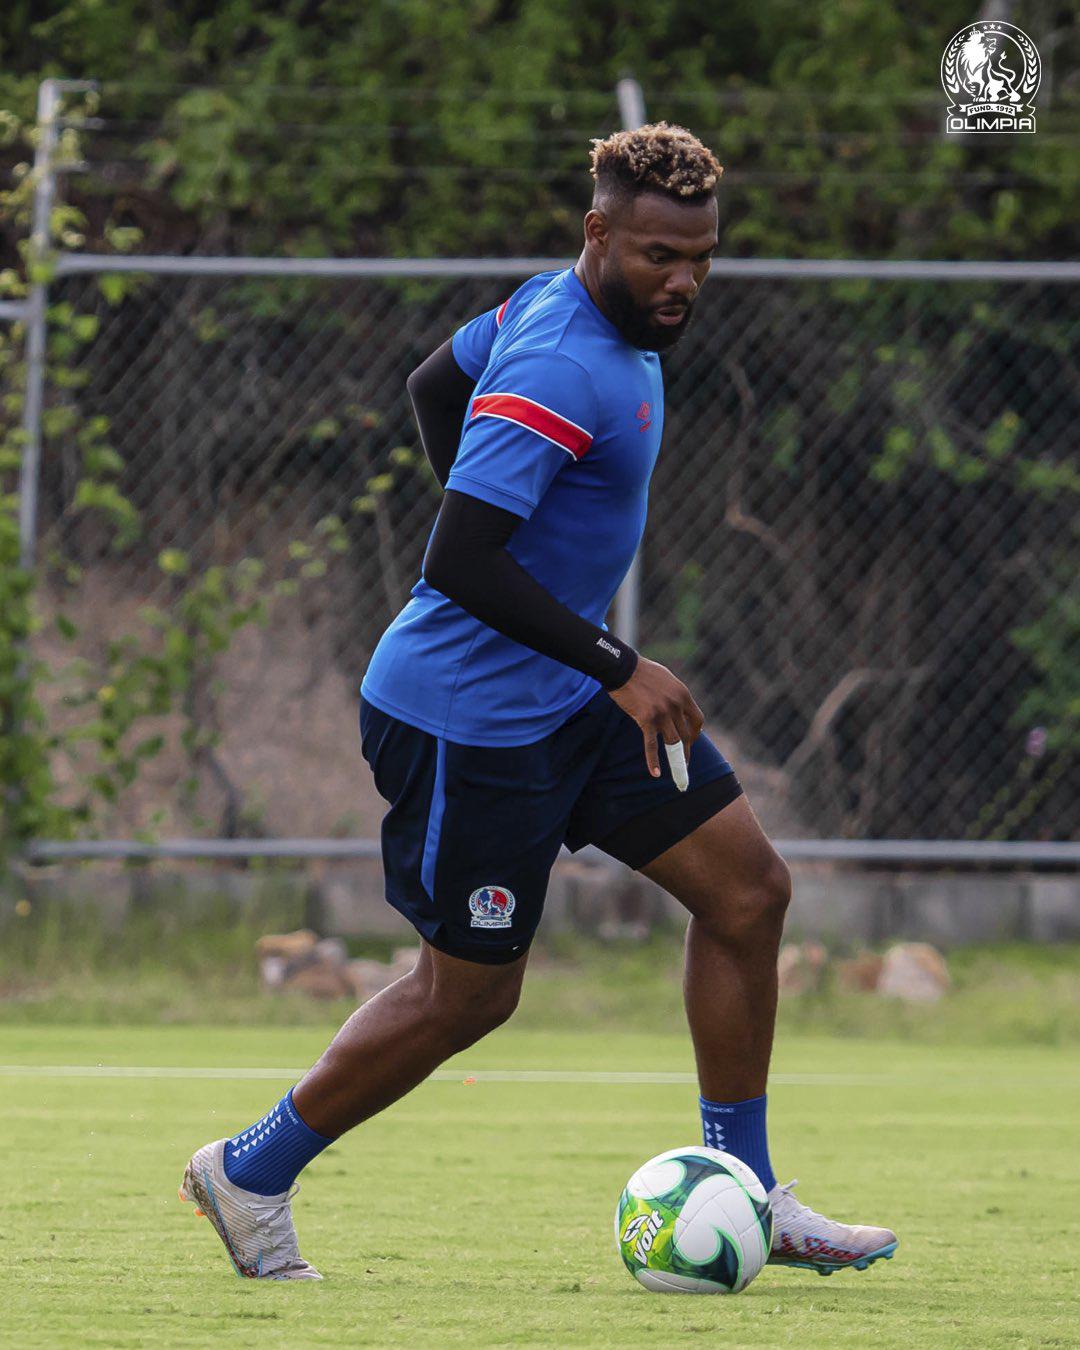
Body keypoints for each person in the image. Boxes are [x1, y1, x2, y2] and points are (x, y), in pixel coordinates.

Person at [180, 122, 897, 1281]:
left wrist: (570, 626)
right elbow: (461, 558)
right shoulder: (562, 364)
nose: (684, 281)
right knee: (465, 1000)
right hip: (468, 720)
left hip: (562, 693)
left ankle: (750, 1192)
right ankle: (248, 1171)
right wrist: (618, 661)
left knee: (749, 892)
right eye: (661, 254)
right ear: (599, 232)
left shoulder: (563, 312)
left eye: (702, 257)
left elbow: (432, 382)